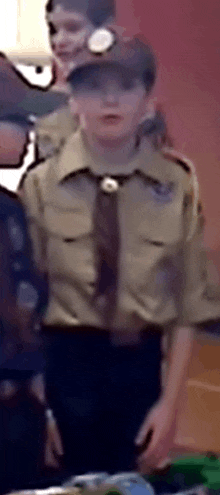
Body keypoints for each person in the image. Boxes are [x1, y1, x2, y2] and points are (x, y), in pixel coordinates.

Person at [19, 28, 220, 477]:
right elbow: (27, 304)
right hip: (63, 372)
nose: (110, 102)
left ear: (147, 100)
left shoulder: (175, 185)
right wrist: (41, 406)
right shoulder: (42, 186)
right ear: (73, 100)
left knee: (134, 486)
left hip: (139, 371)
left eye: (125, 87)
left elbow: (188, 306)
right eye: (93, 88)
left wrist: (170, 407)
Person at [34, 0, 116, 161]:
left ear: (104, 31)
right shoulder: (47, 104)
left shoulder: (128, 98)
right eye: (53, 31)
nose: (59, 41)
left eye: (73, 28)